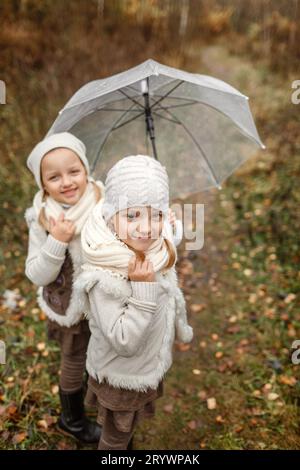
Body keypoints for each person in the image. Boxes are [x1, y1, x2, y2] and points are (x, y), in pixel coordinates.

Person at [75, 155, 193, 450]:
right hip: (121, 375)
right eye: (132, 216)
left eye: (156, 215)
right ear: (111, 218)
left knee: (126, 433)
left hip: (144, 365)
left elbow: (165, 246)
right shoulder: (104, 275)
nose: (146, 228)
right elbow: (123, 340)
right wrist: (143, 292)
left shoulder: (150, 245)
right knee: (114, 438)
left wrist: (171, 231)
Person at [24, 132, 103, 443]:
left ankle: (93, 391)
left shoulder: (102, 200)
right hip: (68, 306)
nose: (67, 182)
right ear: (43, 184)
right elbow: (36, 274)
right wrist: (57, 242)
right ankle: (71, 420)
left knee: (97, 350)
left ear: (85, 170)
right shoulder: (42, 219)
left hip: (101, 301)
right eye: (54, 177)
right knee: (73, 357)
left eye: (74, 171)